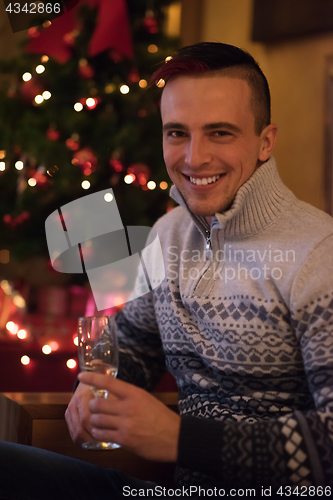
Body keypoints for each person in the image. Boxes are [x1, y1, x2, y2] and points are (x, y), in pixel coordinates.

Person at [1, 41, 333, 498]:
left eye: (220, 133)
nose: (194, 158)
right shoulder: (168, 233)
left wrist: (181, 440)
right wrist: (95, 385)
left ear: (265, 141)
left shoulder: (319, 255)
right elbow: (130, 340)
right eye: (177, 133)